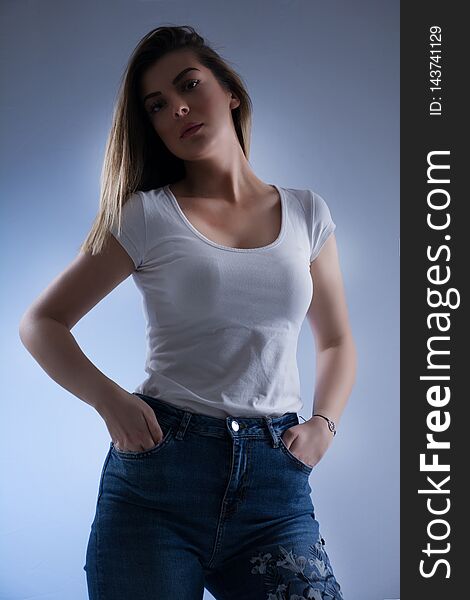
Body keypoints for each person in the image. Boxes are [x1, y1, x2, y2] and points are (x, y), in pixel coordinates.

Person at [19, 25, 356, 600]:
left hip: (276, 486)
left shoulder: (306, 212)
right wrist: (110, 401)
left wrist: (323, 425)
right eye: (157, 106)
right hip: (159, 479)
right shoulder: (148, 214)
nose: (177, 108)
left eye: (189, 85)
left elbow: (335, 341)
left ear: (230, 93)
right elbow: (41, 324)